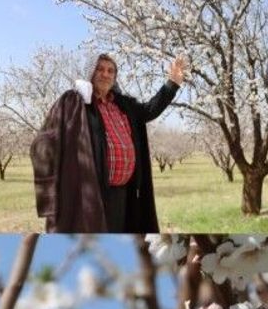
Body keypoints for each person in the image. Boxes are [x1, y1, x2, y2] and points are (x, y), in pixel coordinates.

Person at [30, 54, 185, 233]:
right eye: (100, 69)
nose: (105, 74)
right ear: (89, 72)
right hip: (91, 196)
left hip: (124, 195)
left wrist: (172, 83)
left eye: (110, 71)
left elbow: (149, 110)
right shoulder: (75, 103)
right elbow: (45, 139)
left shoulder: (124, 105)